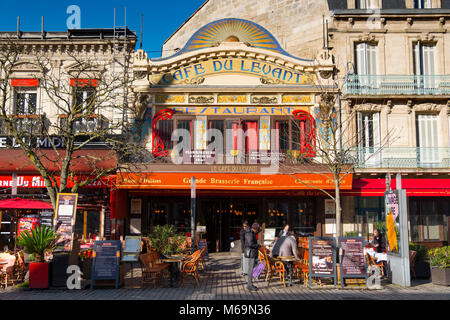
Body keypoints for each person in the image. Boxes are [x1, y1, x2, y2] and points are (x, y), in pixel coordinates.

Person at [244, 222, 260, 291]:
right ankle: (249, 285)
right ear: (255, 229)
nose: (257, 231)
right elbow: (250, 244)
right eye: (257, 230)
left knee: (252, 268)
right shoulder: (249, 233)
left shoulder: (251, 233)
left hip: (252, 253)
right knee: (250, 269)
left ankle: (250, 284)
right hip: (251, 253)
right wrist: (258, 245)